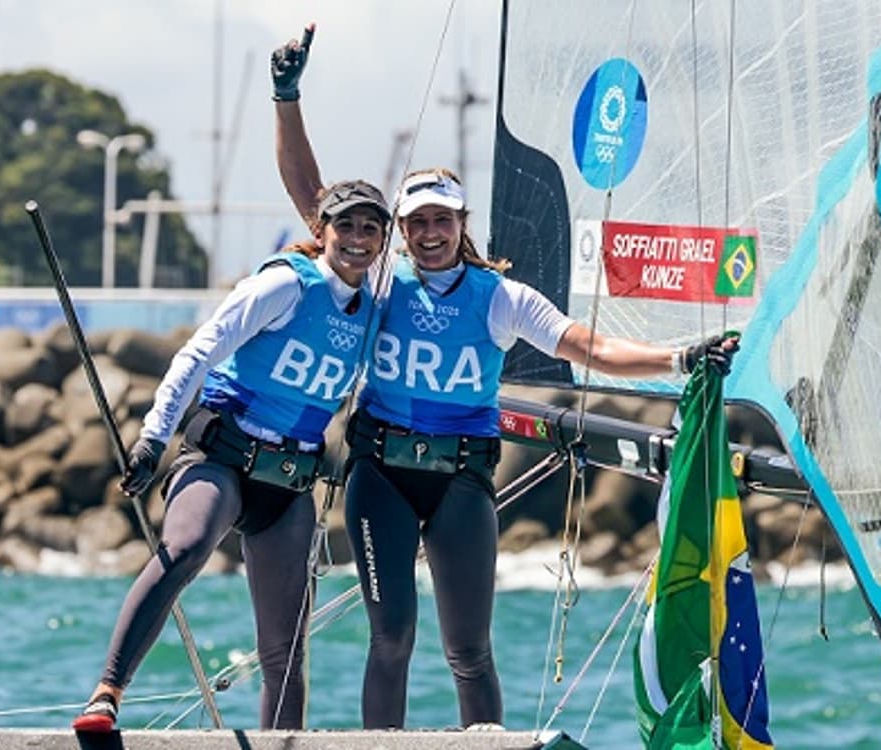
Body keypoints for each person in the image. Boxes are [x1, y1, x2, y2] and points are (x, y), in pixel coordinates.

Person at [271, 26, 739, 731]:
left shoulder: (499, 296)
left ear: (463, 224)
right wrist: (287, 96)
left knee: (471, 653)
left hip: (462, 483)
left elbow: (586, 347)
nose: (430, 232)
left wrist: (677, 359)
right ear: (400, 229)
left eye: (443, 220)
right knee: (390, 639)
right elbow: (313, 199)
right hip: (381, 478)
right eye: (418, 221)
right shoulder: (382, 280)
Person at [71, 178, 392, 732]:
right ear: (321, 231)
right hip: (220, 458)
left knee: (285, 649)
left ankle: (280, 744)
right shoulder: (284, 286)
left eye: (371, 228)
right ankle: (107, 694)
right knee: (189, 546)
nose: (358, 238)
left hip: (287, 484)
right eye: (346, 225)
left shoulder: (372, 311)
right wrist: (153, 439)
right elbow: (199, 352)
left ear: (384, 240)